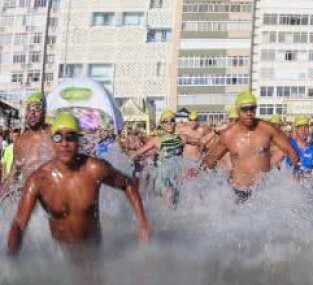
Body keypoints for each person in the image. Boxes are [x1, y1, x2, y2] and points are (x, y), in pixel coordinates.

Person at [7, 111, 151, 255]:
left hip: (93, 255)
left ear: (78, 140)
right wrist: (11, 259)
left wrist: (143, 224)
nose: (64, 143)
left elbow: (128, 184)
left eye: (70, 137)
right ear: (52, 142)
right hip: (60, 259)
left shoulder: (94, 169)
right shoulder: (39, 180)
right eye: (58, 137)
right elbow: (19, 224)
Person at [201, 90, 299, 201]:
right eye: (244, 109)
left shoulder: (267, 129)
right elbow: (210, 160)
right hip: (239, 191)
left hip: (264, 190)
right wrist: (201, 180)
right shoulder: (228, 135)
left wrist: (297, 172)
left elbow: (290, 150)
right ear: (238, 111)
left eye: (252, 108)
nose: (249, 112)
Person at [133, 110, 189, 206]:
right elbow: (138, 153)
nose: (169, 123)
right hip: (164, 175)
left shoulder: (182, 138)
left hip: (179, 174)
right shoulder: (156, 140)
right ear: (162, 124)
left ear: (175, 122)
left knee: (180, 200)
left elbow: (201, 142)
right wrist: (131, 161)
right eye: (166, 121)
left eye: (171, 120)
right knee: (169, 195)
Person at [6, 90, 53, 187]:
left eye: (37, 109)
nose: (32, 113)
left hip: (52, 195)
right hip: (28, 195)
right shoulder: (20, 141)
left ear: (44, 111)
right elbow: (13, 173)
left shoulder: (53, 135)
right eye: (29, 110)